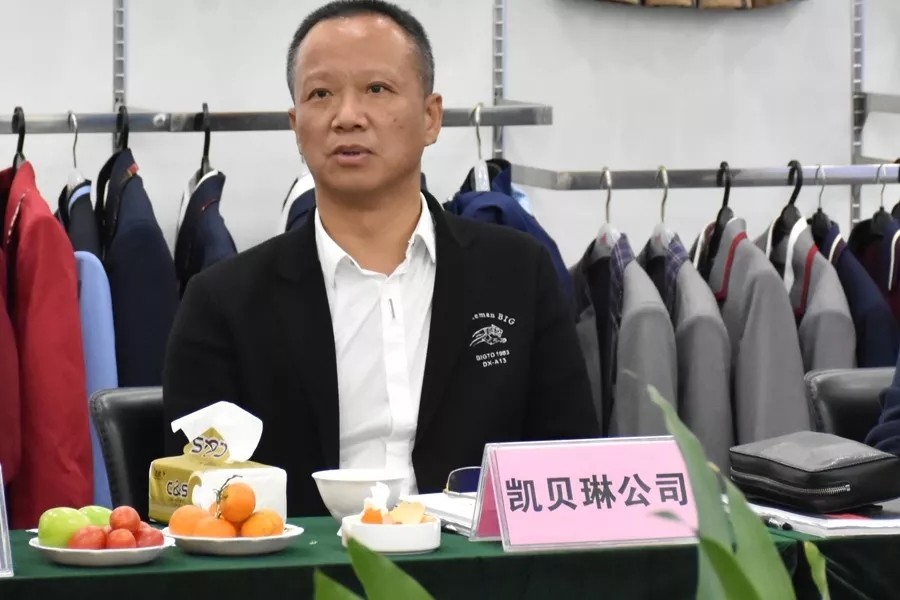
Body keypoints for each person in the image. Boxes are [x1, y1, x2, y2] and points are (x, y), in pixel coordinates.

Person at [162, 0, 598, 517]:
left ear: (431, 117)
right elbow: (195, 505)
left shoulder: (518, 274)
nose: (347, 116)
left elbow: (571, 469)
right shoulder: (223, 302)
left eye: (377, 89)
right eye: (321, 94)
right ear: (296, 124)